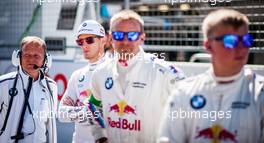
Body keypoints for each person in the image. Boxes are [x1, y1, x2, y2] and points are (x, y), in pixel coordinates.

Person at [158, 9, 264, 143]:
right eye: (230, 41)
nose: (241, 47)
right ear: (208, 46)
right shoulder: (184, 93)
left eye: (246, 40)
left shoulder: (260, 94)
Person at [88, 9, 185, 143]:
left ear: (142, 37)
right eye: (119, 35)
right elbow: (93, 105)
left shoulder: (165, 73)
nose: (125, 41)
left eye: (132, 35)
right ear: (110, 38)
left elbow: (187, 113)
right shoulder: (100, 73)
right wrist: (101, 136)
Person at [0, 36, 57, 143]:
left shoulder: (51, 86)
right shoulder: (3, 84)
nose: (31, 59)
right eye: (26, 55)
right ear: (18, 57)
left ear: (46, 59)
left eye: (36, 55)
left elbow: (50, 124)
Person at [58, 20, 108, 143]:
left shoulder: (114, 71)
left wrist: (77, 111)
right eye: (80, 41)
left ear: (103, 41)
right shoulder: (77, 75)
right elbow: (61, 114)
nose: (84, 45)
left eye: (89, 40)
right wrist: (86, 112)